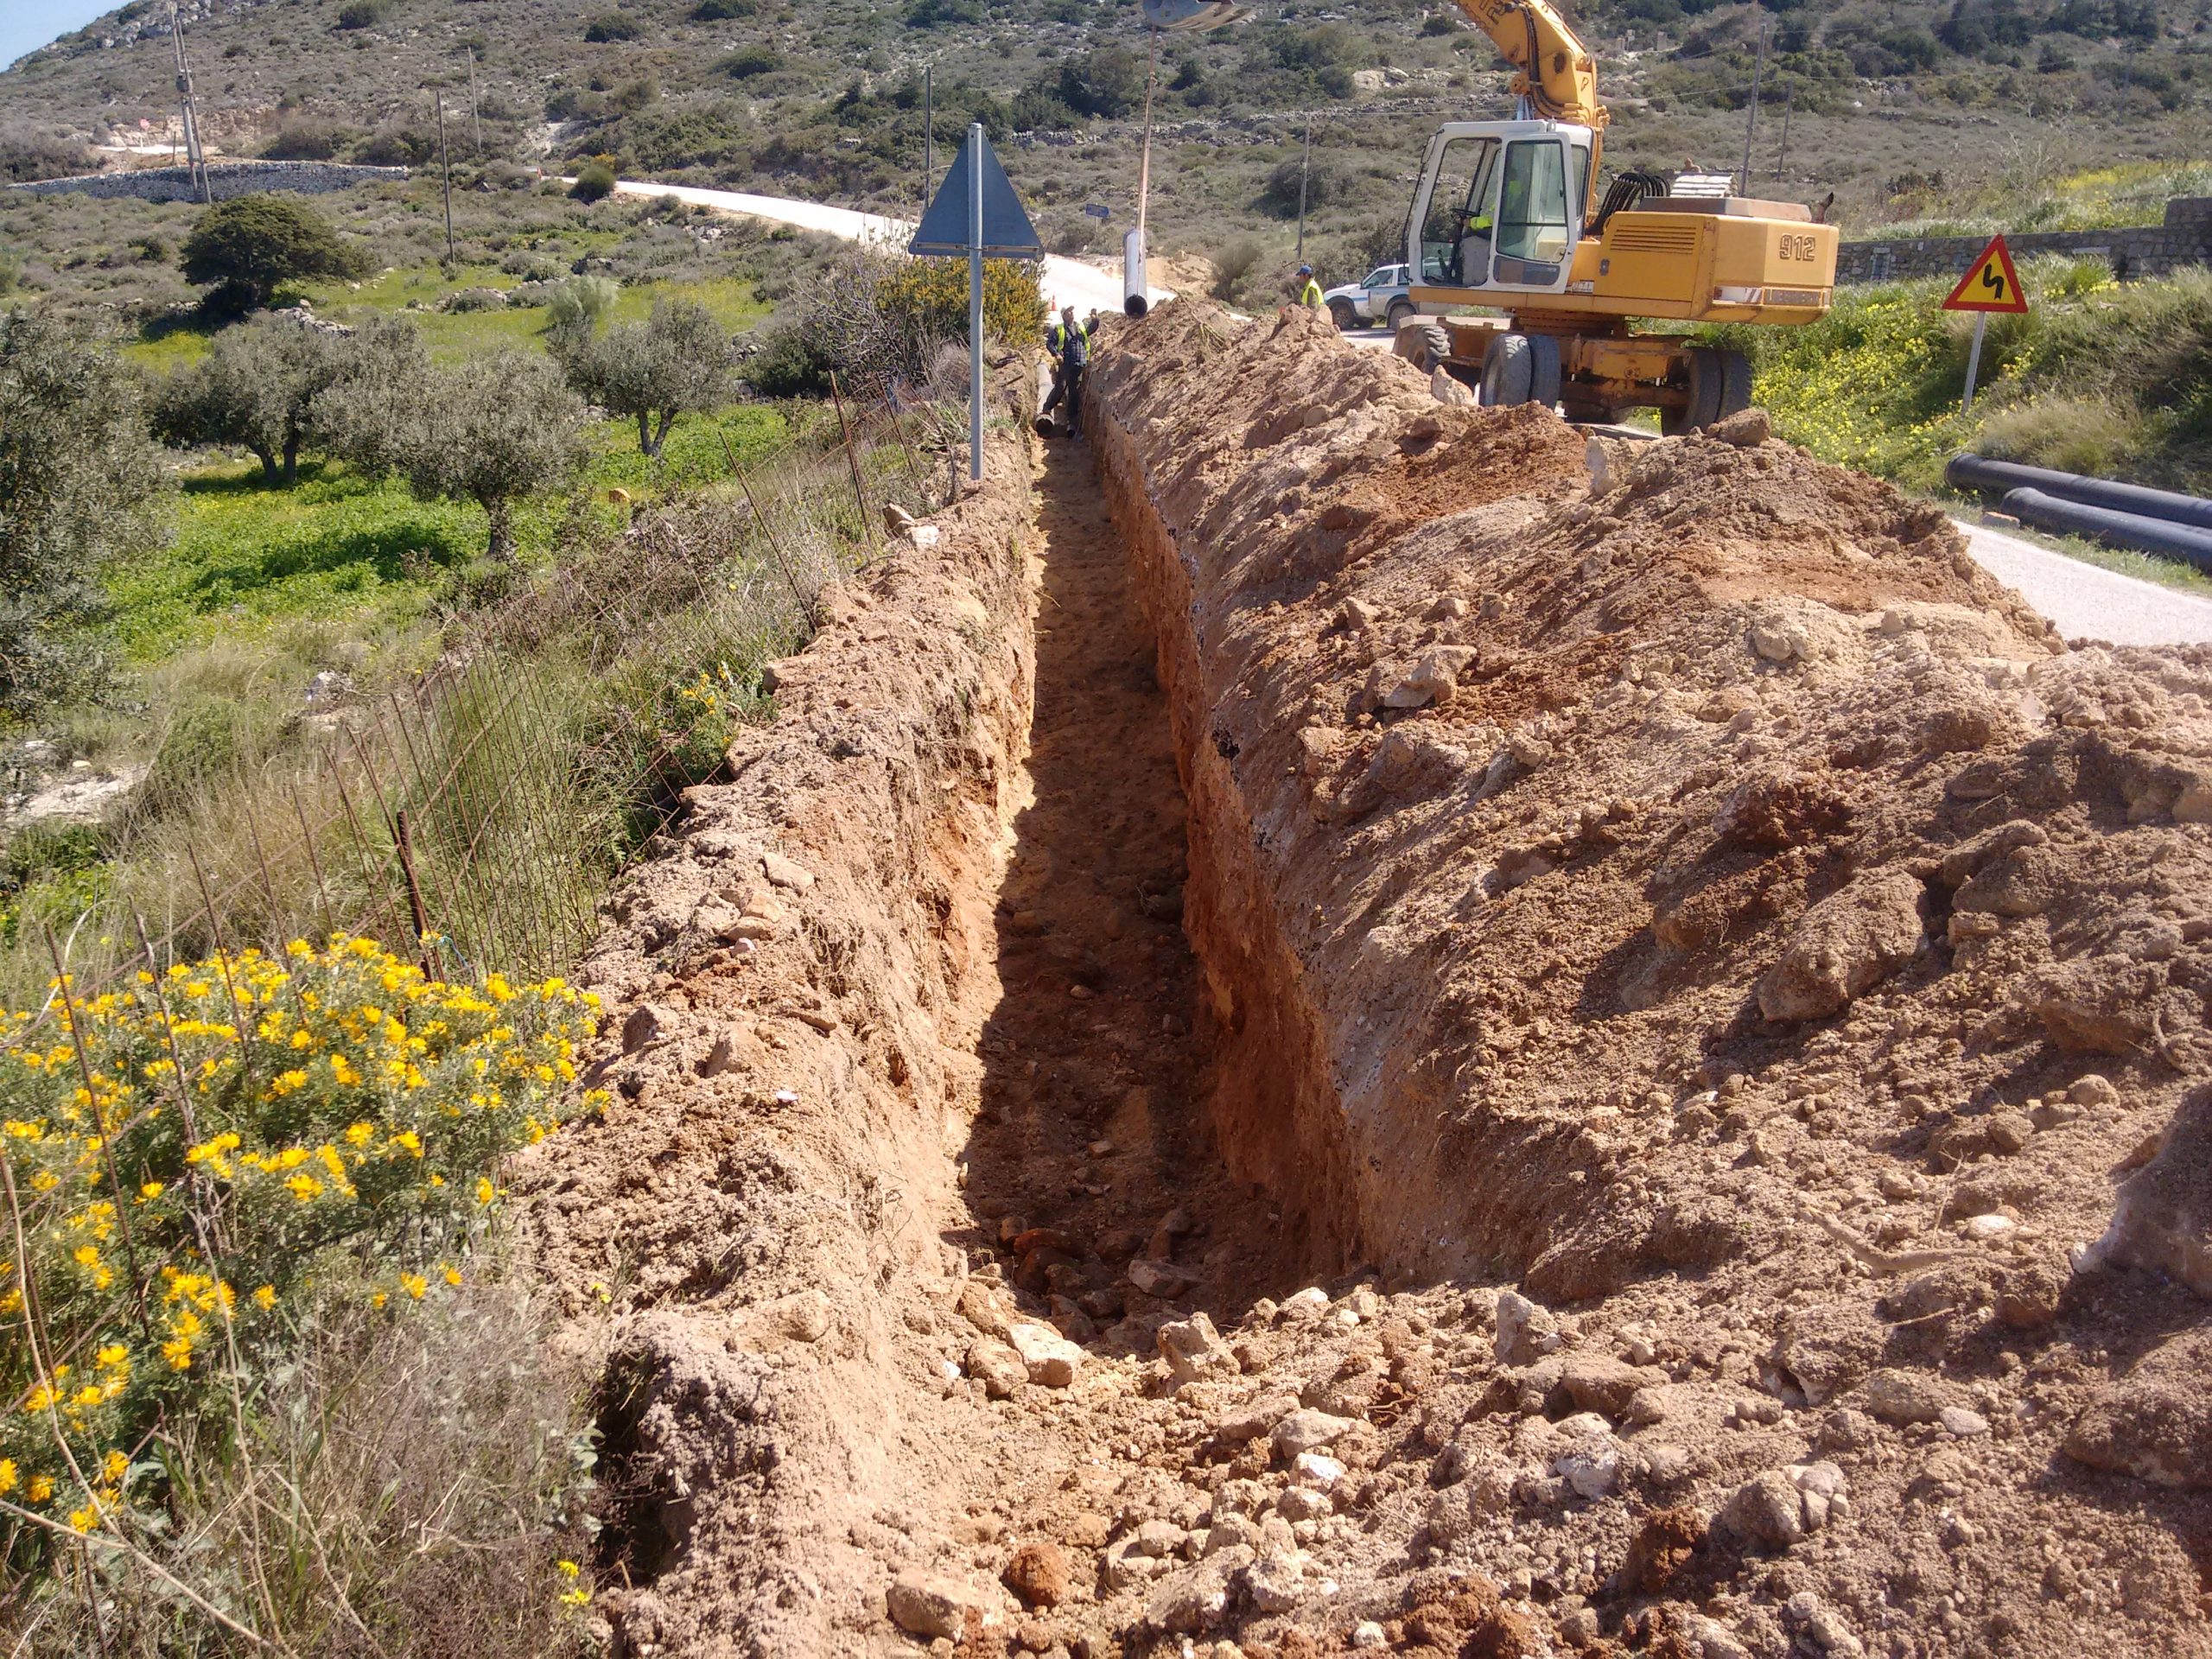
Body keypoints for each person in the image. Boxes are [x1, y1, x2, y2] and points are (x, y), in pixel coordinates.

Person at [1041, 305, 1090, 438]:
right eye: (1069, 311)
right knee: (1060, 388)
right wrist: (1056, 354)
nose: (1072, 313)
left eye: (1072, 311)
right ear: (1064, 315)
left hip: (1079, 365)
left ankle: (1071, 422)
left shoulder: (1080, 327)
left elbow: (1090, 331)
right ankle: (1047, 409)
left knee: (1074, 393)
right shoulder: (1059, 329)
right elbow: (1049, 344)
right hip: (1066, 364)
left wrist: (1095, 321)